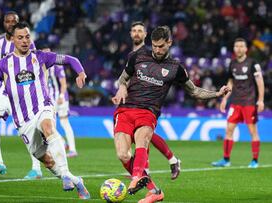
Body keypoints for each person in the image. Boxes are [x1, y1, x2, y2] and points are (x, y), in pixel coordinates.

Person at [112, 26, 230, 203]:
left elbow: (195, 91)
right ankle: (155, 191)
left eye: (161, 46)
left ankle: (136, 178)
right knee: (123, 154)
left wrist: (217, 94)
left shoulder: (175, 68)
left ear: (169, 43)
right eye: (154, 46)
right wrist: (121, 88)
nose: (157, 50)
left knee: (143, 138)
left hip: (148, 112)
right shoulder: (137, 56)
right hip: (126, 109)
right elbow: (123, 78)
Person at [0, 22, 90, 199]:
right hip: (23, 121)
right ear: (13, 40)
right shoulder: (4, 64)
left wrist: (80, 72)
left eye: (27, 37)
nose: (25, 40)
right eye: (20, 37)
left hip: (43, 107)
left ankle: (66, 174)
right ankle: (76, 180)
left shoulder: (41, 57)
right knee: (47, 161)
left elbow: (70, 60)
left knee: (49, 128)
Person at [0, 11, 42, 179]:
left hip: (21, 89)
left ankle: (36, 168)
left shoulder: (26, 41)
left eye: (13, 21)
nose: (10, 24)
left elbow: (34, 63)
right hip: (3, 89)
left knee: (28, 128)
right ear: (3, 23)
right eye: (7, 21)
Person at [127, 21, 181, 180]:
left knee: (141, 135)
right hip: (132, 99)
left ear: (145, 35)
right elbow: (128, 77)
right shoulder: (133, 55)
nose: (137, 33)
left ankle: (145, 170)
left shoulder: (148, 54)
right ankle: (171, 160)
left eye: (140, 31)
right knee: (142, 135)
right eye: (134, 30)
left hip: (148, 103)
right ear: (130, 34)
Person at [212, 38, 264, 168]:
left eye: (241, 46)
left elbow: (260, 82)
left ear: (246, 49)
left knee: (253, 131)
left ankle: (255, 160)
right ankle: (226, 159)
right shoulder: (232, 64)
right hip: (235, 102)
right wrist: (224, 98)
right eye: (236, 46)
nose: (239, 48)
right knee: (229, 130)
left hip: (249, 103)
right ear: (234, 48)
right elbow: (231, 83)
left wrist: (261, 100)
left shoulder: (253, 63)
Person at [42, 46, 78, 158]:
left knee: (63, 122)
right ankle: (62, 143)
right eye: (44, 52)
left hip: (60, 98)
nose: (47, 54)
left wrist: (61, 95)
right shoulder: (39, 65)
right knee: (50, 125)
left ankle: (72, 149)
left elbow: (63, 83)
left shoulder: (56, 65)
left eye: (49, 52)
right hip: (50, 99)